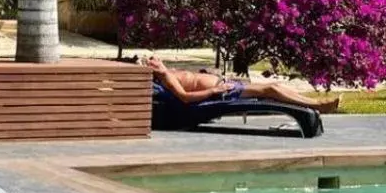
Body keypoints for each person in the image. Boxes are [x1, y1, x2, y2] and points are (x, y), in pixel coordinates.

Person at [145, 56, 340, 114]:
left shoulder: (168, 71)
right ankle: (318, 106)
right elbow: (185, 98)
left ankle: (316, 103)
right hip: (222, 93)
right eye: (150, 61)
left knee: (274, 87)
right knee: (271, 90)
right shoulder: (165, 77)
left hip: (225, 85)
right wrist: (214, 89)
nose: (151, 58)